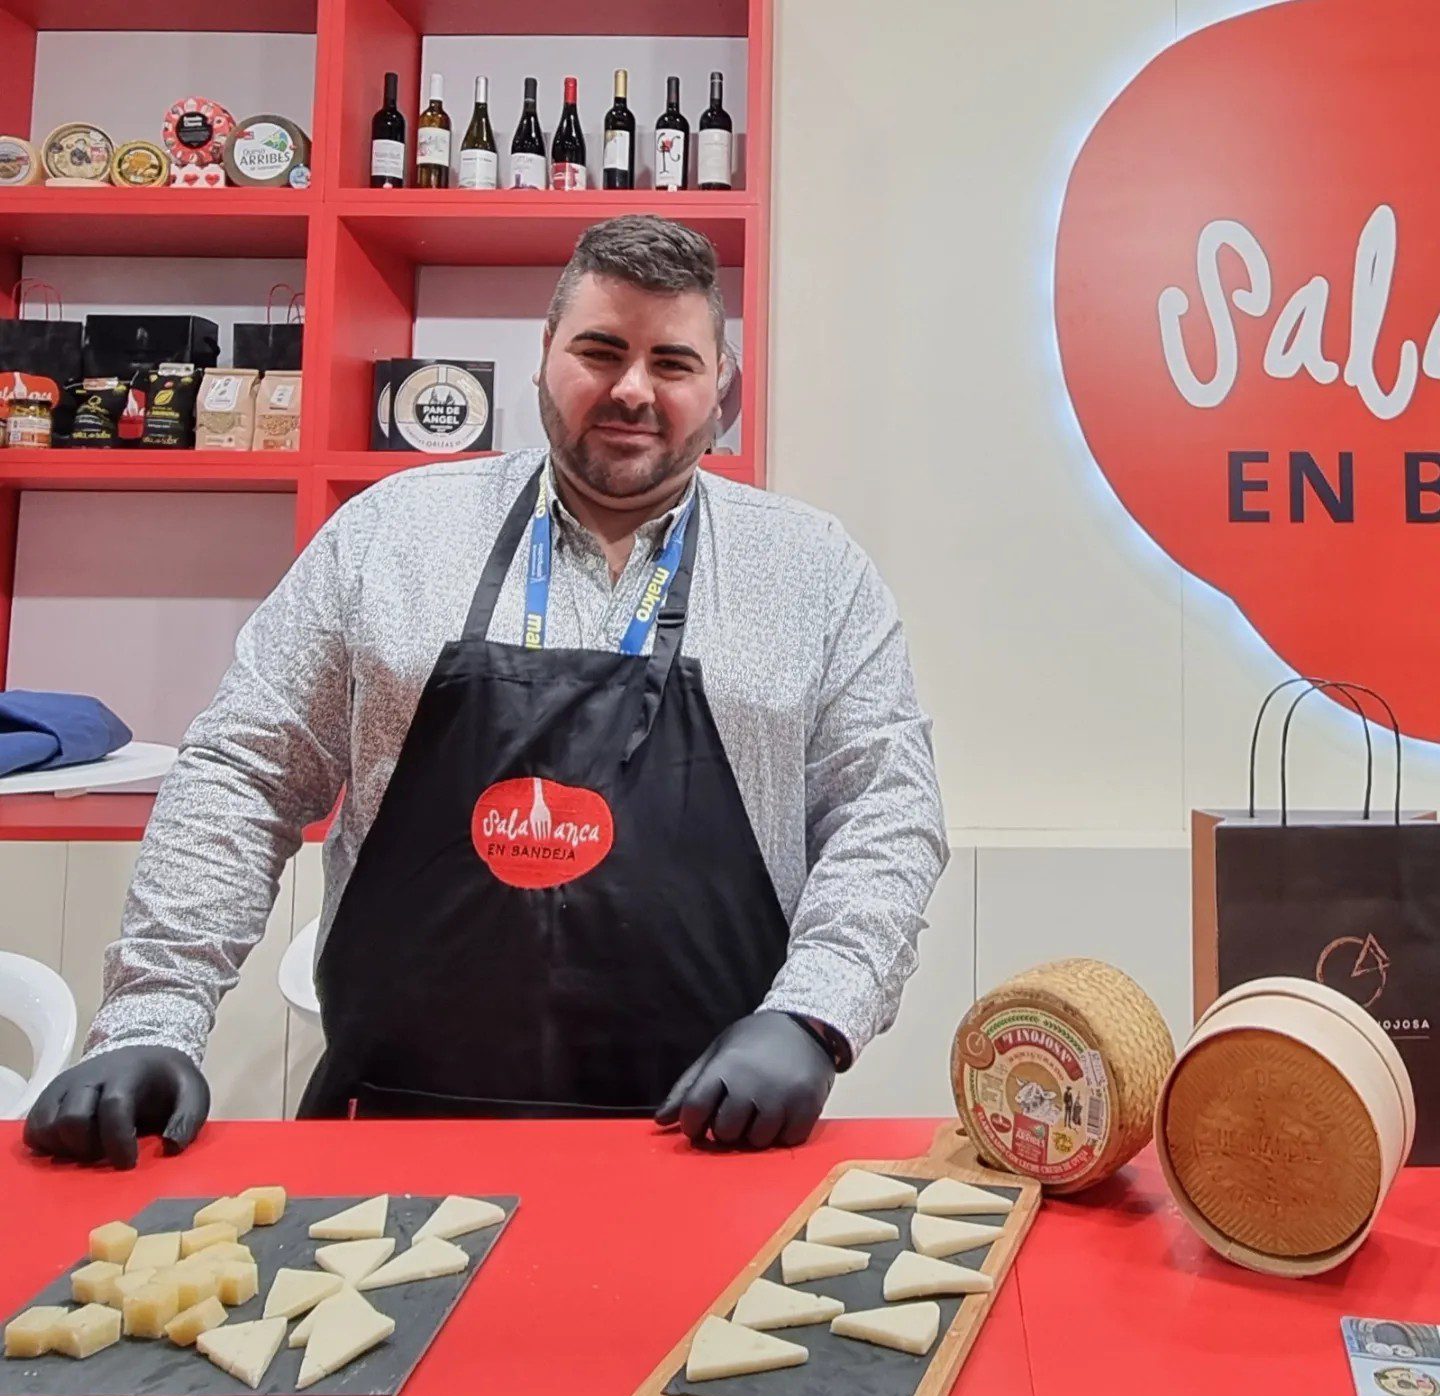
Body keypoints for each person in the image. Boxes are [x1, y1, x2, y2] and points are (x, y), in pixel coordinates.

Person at [23, 215, 947, 1168]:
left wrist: (813, 1013)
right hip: (392, 1140)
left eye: (672, 361)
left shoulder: (811, 570)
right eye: (600, 350)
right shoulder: (390, 535)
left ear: (726, 390)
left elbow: (887, 810)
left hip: (715, 1137)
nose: (632, 389)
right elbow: (242, 773)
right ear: (545, 355)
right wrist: (152, 1019)